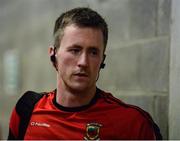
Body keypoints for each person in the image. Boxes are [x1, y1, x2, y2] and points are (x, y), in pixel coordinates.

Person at [7, 7, 162, 140]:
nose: (83, 62)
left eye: (93, 52)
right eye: (75, 50)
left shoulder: (133, 124)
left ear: (102, 59)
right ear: (53, 55)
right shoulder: (26, 110)